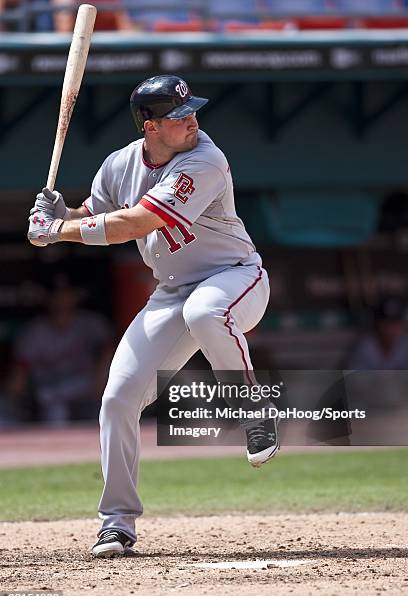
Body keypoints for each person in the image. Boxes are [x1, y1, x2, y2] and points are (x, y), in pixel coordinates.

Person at [27, 74, 279, 558]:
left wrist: (58, 231)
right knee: (118, 398)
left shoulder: (204, 158)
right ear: (150, 127)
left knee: (207, 311)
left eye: (192, 112)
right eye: (178, 116)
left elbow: (136, 224)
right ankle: (116, 524)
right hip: (171, 292)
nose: (192, 122)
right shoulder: (119, 165)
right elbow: (91, 213)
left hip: (235, 277)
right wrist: (60, 214)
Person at [8, 275, 113, 424]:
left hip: (86, 387)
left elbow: (109, 353)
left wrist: (102, 379)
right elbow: (19, 376)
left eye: (66, 293)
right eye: (56, 294)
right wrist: (14, 399)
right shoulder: (33, 332)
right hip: (50, 391)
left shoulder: (92, 323)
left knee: (106, 405)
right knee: (53, 404)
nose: (61, 299)